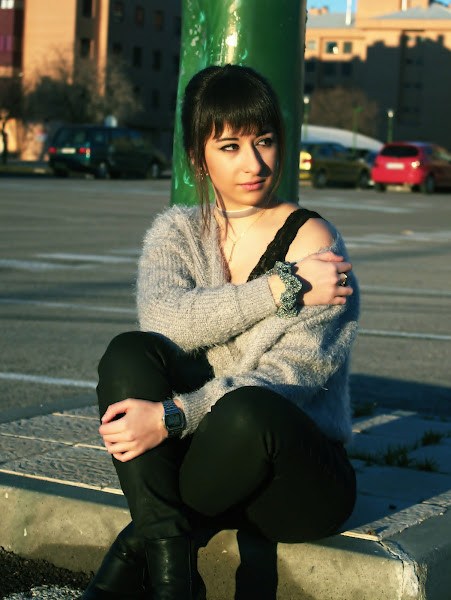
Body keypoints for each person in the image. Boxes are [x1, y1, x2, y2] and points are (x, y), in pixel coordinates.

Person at [78, 64, 359, 600]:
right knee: (129, 353)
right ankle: (174, 579)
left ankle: (135, 554)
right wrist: (281, 288)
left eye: (265, 141)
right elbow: (165, 322)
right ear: (197, 157)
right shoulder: (178, 232)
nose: (254, 163)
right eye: (230, 146)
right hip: (210, 462)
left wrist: (172, 416)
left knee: (247, 409)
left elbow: (284, 381)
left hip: (294, 477)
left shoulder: (316, 245)